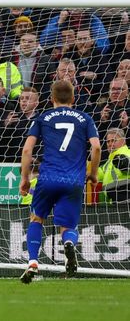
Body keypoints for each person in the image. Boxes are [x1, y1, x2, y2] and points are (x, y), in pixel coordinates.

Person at [19, 79, 101, 284]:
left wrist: (25, 179)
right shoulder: (85, 118)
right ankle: (69, 244)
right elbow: (97, 147)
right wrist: (93, 173)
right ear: (73, 98)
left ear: (52, 98)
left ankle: (33, 263)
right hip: (73, 180)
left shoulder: (43, 117)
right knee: (68, 226)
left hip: (47, 178)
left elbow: (27, 150)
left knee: (36, 218)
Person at [98, 127, 130, 203]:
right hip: (115, 205)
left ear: (123, 141)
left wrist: (123, 162)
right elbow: (97, 174)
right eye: (108, 141)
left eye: (113, 140)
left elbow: (126, 162)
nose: (110, 144)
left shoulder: (127, 154)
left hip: (126, 202)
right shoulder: (108, 163)